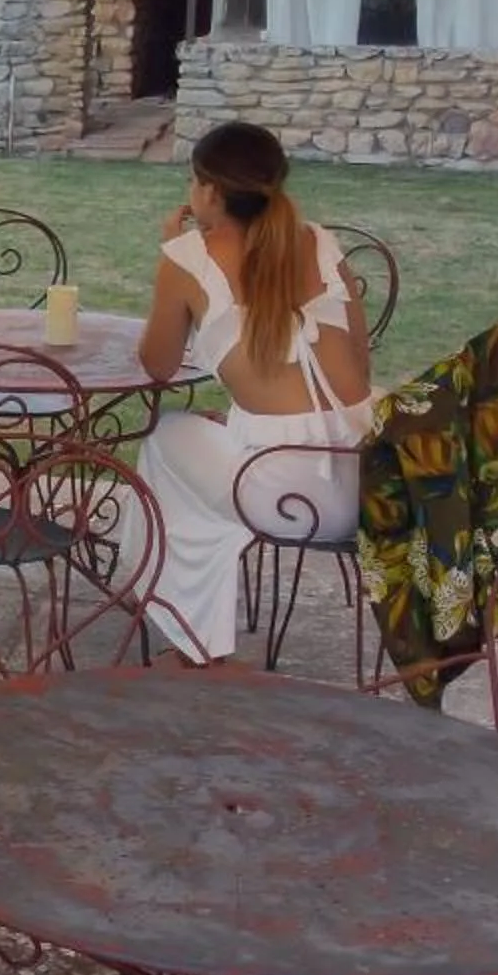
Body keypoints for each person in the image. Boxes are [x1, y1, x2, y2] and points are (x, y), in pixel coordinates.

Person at [125, 121, 374, 665]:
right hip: (369, 482)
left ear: (209, 191)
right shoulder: (321, 241)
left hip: (286, 494)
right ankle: (191, 616)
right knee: (213, 447)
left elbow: (157, 366)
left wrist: (175, 256)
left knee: (165, 437)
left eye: (193, 182)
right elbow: (359, 358)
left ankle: (195, 641)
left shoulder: (189, 255)